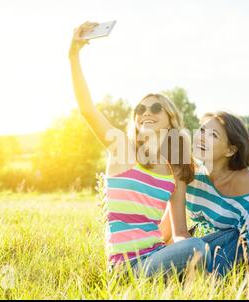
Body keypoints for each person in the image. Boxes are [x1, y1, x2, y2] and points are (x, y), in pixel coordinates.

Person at [69, 21, 210, 277]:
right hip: (125, 267)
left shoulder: (175, 169)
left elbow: (179, 232)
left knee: (202, 244)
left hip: (157, 255)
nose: (146, 113)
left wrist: (187, 249)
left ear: (170, 119)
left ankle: (192, 279)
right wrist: (74, 55)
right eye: (140, 109)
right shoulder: (122, 148)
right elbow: (87, 109)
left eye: (155, 108)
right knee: (199, 247)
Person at [160, 111, 249, 277]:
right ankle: (187, 276)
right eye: (202, 130)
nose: (202, 137)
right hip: (203, 248)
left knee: (234, 235)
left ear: (230, 150)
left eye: (213, 135)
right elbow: (169, 225)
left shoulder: (244, 180)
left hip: (235, 250)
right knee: (185, 247)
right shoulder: (190, 172)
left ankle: (203, 279)